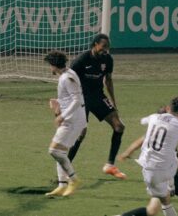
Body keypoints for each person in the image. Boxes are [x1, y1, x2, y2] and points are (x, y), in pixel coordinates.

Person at [68, 33, 128, 180]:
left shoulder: (107, 59)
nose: (106, 50)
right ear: (95, 44)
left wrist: (113, 101)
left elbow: (108, 80)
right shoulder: (82, 60)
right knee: (81, 134)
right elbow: (68, 79)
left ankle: (110, 165)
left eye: (108, 47)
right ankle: (65, 169)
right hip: (82, 98)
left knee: (119, 126)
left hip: (98, 96)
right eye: (103, 46)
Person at [42, 50, 86, 197]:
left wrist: (63, 116)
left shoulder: (66, 78)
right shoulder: (68, 74)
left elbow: (76, 100)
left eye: (50, 65)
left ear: (54, 65)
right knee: (61, 151)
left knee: (54, 151)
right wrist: (58, 103)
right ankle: (62, 185)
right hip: (73, 118)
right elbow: (71, 98)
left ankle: (73, 179)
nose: (50, 68)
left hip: (72, 120)